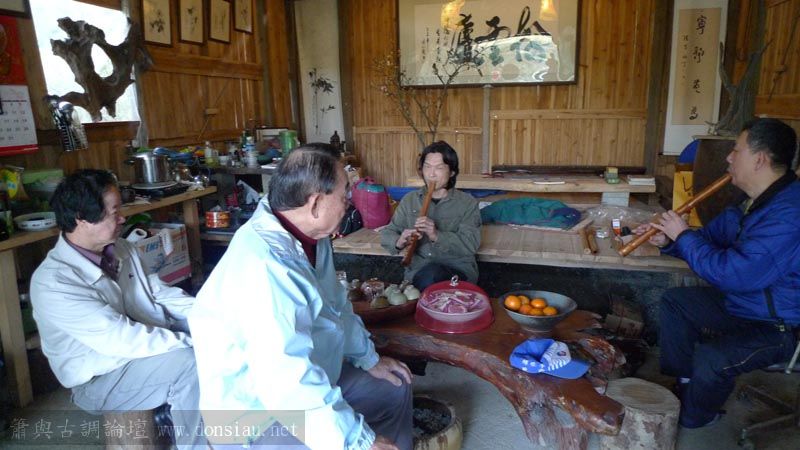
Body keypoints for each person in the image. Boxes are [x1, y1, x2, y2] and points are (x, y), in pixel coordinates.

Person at [189, 144, 413, 450]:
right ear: (316, 203)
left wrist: (367, 357)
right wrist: (359, 440)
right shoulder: (264, 266)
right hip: (256, 415)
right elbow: (286, 380)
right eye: (344, 194)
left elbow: (337, 306)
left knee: (393, 387)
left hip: (312, 376)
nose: (349, 202)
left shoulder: (312, 236)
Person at [635, 118, 800, 428]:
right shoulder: (751, 203)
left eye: (736, 150)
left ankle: (697, 417)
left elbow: (733, 274)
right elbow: (708, 241)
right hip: (746, 304)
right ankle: (684, 384)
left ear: (759, 159)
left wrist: (683, 235)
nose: (728, 157)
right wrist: (670, 241)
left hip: (779, 324)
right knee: (676, 302)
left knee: (712, 358)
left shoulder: (789, 214)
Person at [30, 169, 205, 448]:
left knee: (217, 332)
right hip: (99, 378)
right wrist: (192, 342)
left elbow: (158, 294)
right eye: (114, 212)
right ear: (82, 219)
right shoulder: (54, 282)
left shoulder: (121, 249)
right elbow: (121, 338)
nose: (123, 218)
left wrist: (210, 315)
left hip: (134, 349)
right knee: (191, 362)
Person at [380, 141, 481, 289]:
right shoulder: (410, 200)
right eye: (427, 167)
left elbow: (471, 243)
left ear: (452, 172)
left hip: (457, 270)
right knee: (426, 278)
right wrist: (400, 240)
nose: (431, 174)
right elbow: (387, 233)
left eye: (439, 168)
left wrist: (436, 235)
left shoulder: (467, 203)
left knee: (433, 275)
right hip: (418, 271)